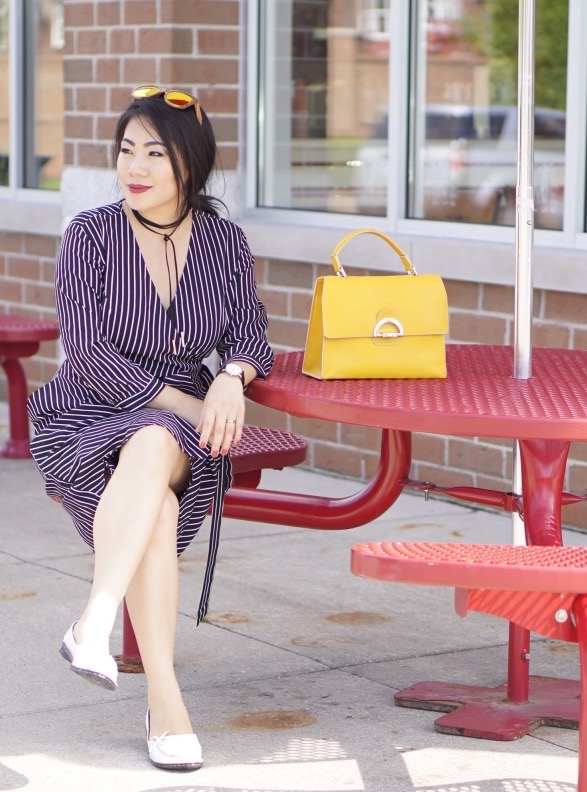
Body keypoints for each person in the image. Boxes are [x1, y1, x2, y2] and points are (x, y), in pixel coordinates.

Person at [27, 86, 273, 772]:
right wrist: (189, 406)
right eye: (126, 150)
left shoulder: (223, 241)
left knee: (157, 441)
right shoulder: (91, 235)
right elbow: (88, 353)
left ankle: (93, 621)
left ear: (190, 162)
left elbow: (252, 334)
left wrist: (232, 377)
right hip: (88, 412)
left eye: (154, 153)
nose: (133, 167)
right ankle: (164, 700)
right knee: (156, 492)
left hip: (181, 422)